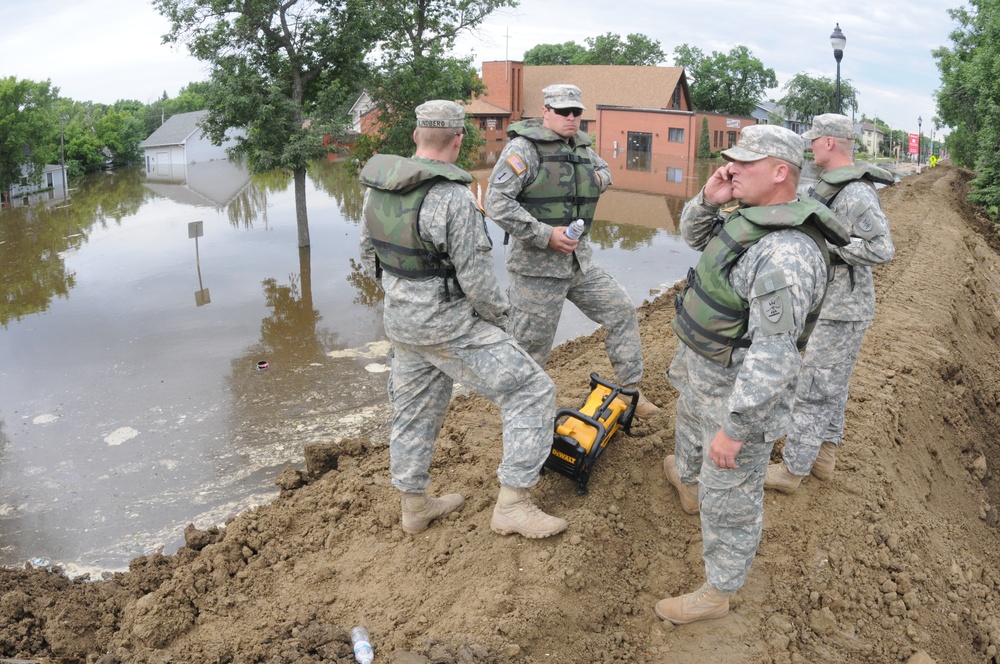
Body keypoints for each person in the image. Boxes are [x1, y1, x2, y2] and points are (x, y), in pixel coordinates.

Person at [656, 125, 851, 624]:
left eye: (745, 163)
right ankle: (690, 482)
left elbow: (775, 354)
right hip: (704, 372)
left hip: (737, 391)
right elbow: (696, 237)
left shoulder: (786, 254)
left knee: (732, 500)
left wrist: (736, 428)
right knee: (689, 435)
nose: (731, 169)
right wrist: (709, 197)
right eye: (731, 162)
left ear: (781, 172)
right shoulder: (752, 215)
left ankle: (717, 593)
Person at [359, 100, 567, 540]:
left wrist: (405, 297)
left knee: (414, 411)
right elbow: (479, 284)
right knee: (532, 389)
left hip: (399, 322)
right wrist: (503, 323)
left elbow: (368, 256)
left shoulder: (377, 189)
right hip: (449, 326)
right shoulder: (453, 198)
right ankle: (513, 504)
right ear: (458, 140)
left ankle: (414, 506)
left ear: (416, 137)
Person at [484, 84, 659, 419]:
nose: (570, 117)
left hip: (579, 265)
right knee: (530, 351)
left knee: (621, 310)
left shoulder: (580, 147)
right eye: (563, 111)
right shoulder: (524, 150)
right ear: (546, 111)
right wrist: (545, 234)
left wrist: (596, 179)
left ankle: (630, 391)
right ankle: (522, 415)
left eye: (576, 112)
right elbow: (496, 202)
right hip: (536, 272)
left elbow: (605, 171)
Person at [765, 114, 895, 493]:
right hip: (837, 304)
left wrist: (828, 249)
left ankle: (792, 471)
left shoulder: (855, 193)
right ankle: (823, 456)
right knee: (832, 385)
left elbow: (882, 249)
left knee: (814, 387)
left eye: (813, 140)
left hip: (842, 308)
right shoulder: (832, 186)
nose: (809, 146)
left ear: (828, 143)